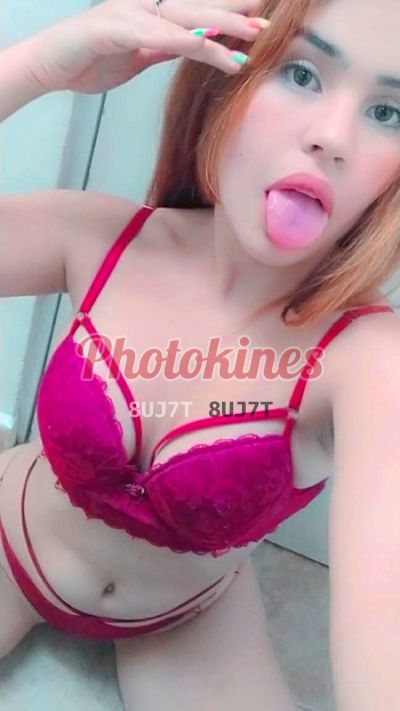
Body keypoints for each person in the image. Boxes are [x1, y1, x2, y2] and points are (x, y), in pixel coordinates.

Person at [1, 0, 400, 708]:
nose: (332, 137)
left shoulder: (368, 359)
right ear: (224, 75)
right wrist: (37, 67)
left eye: (388, 113)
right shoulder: (99, 237)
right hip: (10, 543)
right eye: (301, 72)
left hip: (186, 624)